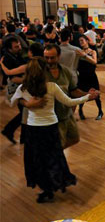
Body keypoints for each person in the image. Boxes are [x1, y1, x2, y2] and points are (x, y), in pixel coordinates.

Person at [10, 57, 90, 203]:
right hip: (50, 128)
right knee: (54, 157)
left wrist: (27, 103)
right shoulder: (51, 86)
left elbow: (11, 101)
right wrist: (89, 97)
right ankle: (55, 183)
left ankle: (46, 188)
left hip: (33, 129)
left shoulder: (23, 88)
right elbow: (69, 102)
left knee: (37, 160)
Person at [20, 44, 98, 149]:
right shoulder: (39, 73)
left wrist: (87, 94)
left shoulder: (66, 72)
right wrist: (27, 103)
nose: (49, 61)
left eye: (52, 58)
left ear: (59, 56)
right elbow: (21, 96)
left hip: (66, 114)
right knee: (56, 146)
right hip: (50, 119)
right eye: (46, 57)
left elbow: (73, 91)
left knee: (74, 138)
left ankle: (53, 157)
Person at [1, 37, 25, 144]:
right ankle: (9, 130)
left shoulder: (16, 55)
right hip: (17, 89)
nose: (19, 47)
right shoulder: (7, 59)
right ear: (9, 49)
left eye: (19, 45)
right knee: (25, 113)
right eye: (16, 46)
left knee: (25, 113)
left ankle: (21, 136)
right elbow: (14, 78)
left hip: (21, 88)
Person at [76, 35, 103, 120]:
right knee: (82, 95)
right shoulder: (79, 52)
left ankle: (100, 111)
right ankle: (80, 110)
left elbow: (95, 62)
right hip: (82, 77)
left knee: (96, 95)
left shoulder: (92, 52)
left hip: (91, 76)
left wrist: (84, 56)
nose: (81, 43)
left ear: (87, 41)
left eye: (82, 40)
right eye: (80, 41)